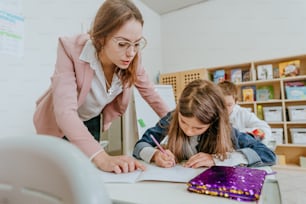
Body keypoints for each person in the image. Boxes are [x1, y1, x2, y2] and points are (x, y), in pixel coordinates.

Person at [33, 0, 169, 174]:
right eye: (122, 44)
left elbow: (152, 94)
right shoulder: (70, 49)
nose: (131, 53)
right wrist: (103, 157)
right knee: (59, 173)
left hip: (92, 119)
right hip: (59, 121)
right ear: (100, 38)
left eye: (136, 44)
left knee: (88, 172)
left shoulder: (133, 57)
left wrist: (179, 126)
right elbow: (65, 112)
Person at [133, 79, 276, 168]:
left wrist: (217, 159)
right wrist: (155, 155)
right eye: (183, 122)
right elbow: (140, 145)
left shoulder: (224, 128)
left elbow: (267, 154)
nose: (188, 131)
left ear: (213, 122)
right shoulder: (172, 118)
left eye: (198, 127)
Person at [217, 80, 273, 146]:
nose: (224, 109)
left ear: (236, 102)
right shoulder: (213, 113)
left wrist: (241, 133)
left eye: (229, 105)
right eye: (221, 104)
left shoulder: (243, 113)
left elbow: (265, 129)